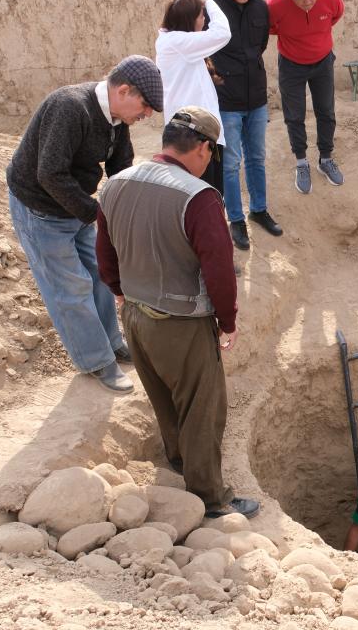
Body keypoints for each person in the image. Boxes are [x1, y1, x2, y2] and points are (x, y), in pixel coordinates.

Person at [96, 106, 259, 519]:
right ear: (204, 148)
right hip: (182, 323)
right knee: (203, 408)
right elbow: (219, 268)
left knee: (165, 399)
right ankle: (209, 498)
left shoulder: (116, 184)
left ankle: (180, 462)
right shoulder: (198, 197)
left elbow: (104, 251)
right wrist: (228, 321)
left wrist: (119, 290)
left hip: (134, 316)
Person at [6, 55, 162, 393]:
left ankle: (112, 343)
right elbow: (50, 174)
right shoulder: (70, 107)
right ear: (123, 90)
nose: (147, 114)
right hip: (41, 209)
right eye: (147, 105)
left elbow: (121, 165)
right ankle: (97, 361)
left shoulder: (117, 119)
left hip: (73, 206)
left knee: (100, 276)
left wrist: (126, 210)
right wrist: (97, 214)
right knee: (71, 288)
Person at [210, 0, 283, 252]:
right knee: (230, 162)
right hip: (226, 100)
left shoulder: (260, 8)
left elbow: (261, 46)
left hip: (256, 97)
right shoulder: (209, 9)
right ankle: (235, 218)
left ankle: (259, 209)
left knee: (256, 158)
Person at [267, 0, 346, 194]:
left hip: (323, 62)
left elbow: (335, 16)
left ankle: (325, 159)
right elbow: (270, 27)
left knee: (326, 111)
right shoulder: (273, 5)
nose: (308, 1)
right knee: (294, 115)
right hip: (291, 65)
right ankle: (301, 162)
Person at [155, 0, 232, 194]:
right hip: (191, 136)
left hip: (202, 131)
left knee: (213, 196)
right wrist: (207, 0)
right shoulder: (176, 42)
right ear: (189, 20)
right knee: (201, 197)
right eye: (201, 15)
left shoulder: (179, 42)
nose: (205, 19)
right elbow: (223, 32)